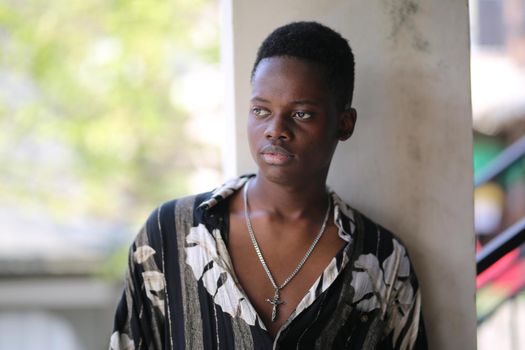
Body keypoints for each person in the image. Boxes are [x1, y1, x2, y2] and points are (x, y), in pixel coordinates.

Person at [110, 21, 427, 349]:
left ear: (344, 123)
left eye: (302, 114)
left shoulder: (383, 258)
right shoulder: (170, 233)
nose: (276, 129)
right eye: (261, 110)